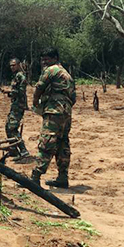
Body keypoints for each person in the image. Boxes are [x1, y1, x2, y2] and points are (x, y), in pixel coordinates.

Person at [31, 49, 76, 188]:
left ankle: (35, 176)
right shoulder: (67, 74)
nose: (45, 62)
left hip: (54, 112)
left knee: (47, 142)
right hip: (66, 112)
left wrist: (35, 101)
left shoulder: (51, 70)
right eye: (43, 59)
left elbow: (40, 87)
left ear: (55, 58)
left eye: (47, 59)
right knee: (63, 143)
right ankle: (63, 177)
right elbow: (73, 98)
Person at [2, 58, 31, 163]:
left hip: (19, 106)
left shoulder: (21, 76)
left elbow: (21, 92)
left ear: (19, 65)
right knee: (7, 126)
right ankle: (13, 150)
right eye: (10, 65)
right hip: (15, 105)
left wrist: (9, 91)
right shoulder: (15, 76)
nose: (12, 67)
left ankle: (24, 151)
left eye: (14, 65)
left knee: (12, 128)